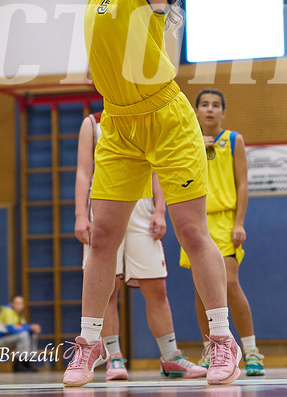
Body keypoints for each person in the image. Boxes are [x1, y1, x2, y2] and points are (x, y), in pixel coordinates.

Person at [20, 0, 238, 387]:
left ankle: (220, 338)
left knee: (193, 232)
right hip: (117, 122)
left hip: (166, 117)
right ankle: (88, 346)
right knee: (101, 237)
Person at [75, 110, 207, 381]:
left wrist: (160, 210)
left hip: (143, 209)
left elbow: (158, 168)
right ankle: (114, 358)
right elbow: (83, 171)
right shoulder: (92, 123)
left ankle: (171, 357)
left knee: (156, 287)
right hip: (104, 207)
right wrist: (80, 215)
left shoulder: (147, 115)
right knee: (107, 289)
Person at [180, 89, 264, 377]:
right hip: (195, 221)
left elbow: (242, 184)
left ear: (223, 112)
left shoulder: (233, 140)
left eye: (216, 105)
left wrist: (239, 223)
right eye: (204, 105)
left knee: (229, 282)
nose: (210, 109)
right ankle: (211, 349)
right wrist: (194, 149)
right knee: (201, 290)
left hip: (225, 221)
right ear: (197, 110)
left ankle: (251, 349)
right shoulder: (186, 141)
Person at [0, 295, 41, 372]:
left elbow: (24, 326)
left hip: (12, 340)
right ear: (12, 304)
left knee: (32, 335)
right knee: (24, 335)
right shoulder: (7, 311)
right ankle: (19, 364)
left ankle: (28, 362)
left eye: (21, 303)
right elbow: (11, 330)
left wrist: (33, 328)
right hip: (0, 340)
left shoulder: (18, 313)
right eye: (17, 303)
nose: (20, 305)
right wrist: (30, 327)